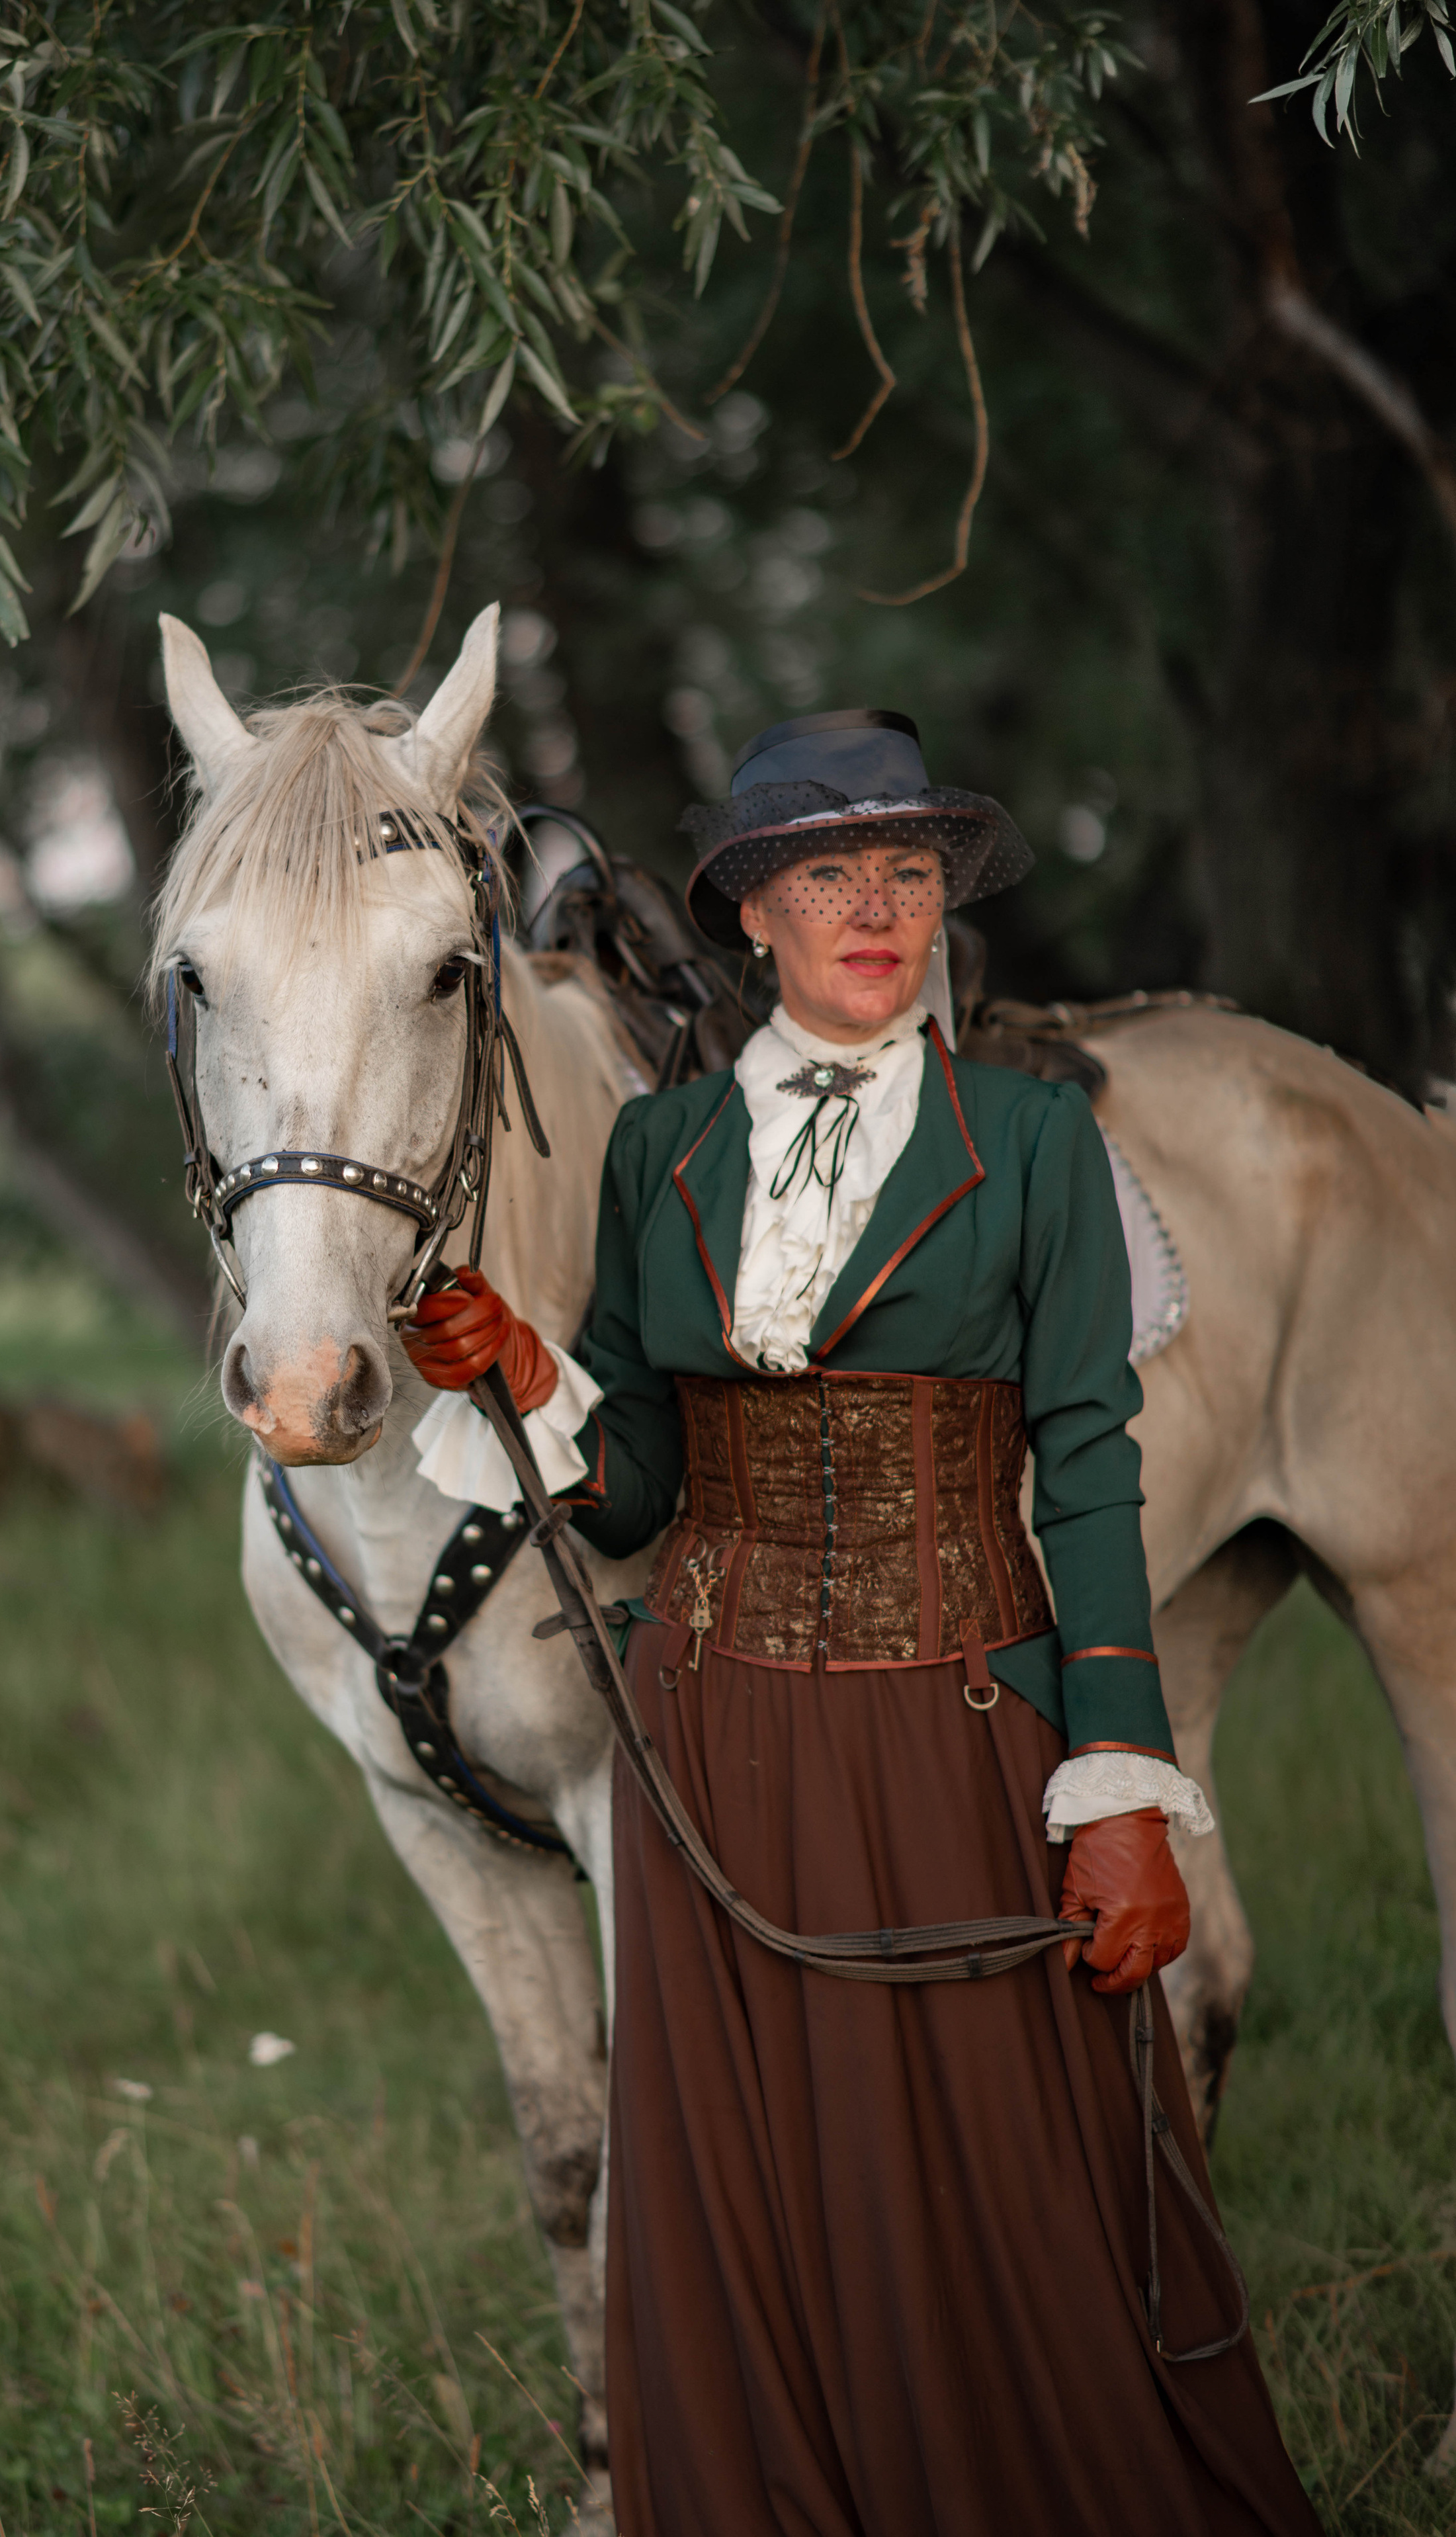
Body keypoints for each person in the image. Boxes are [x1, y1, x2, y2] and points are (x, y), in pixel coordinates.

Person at [403, 710, 1320, 2536]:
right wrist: (530, 1375)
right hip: (717, 1740)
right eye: (830, 873)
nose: (877, 906)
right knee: (752, 2180)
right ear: (753, 914)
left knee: (1002, 2170)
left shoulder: (1034, 1142)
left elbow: (1086, 1470)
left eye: (909, 871)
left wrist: (1120, 1782)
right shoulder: (663, 1151)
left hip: (960, 1724)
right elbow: (643, 1482)